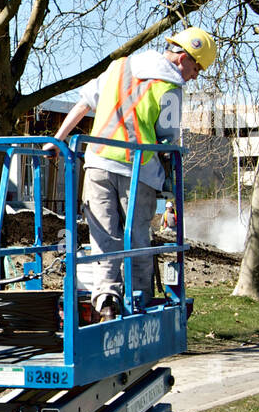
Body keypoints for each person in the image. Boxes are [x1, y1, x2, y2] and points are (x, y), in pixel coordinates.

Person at [50, 27, 216, 321]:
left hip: (97, 163)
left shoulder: (120, 66)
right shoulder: (171, 87)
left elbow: (85, 101)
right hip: (137, 170)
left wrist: (58, 138)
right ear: (183, 58)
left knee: (104, 239)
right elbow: (168, 139)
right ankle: (139, 301)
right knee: (137, 237)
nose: (195, 75)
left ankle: (106, 303)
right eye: (197, 67)